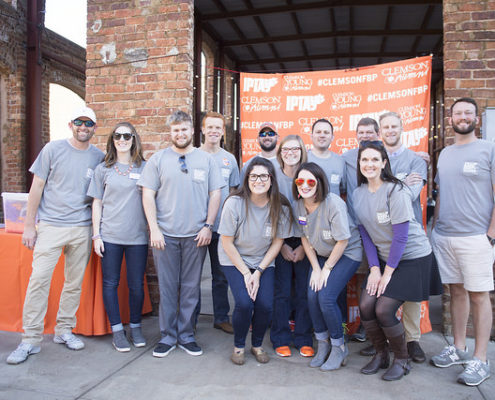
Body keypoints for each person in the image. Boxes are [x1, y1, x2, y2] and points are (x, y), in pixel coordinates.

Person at [7, 107, 104, 365]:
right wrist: (30, 225)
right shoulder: (52, 149)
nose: (83, 127)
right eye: (79, 122)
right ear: (70, 124)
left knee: (73, 283)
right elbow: (37, 186)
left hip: (82, 228)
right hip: (50, 225)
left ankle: (63, 330)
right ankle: (30, 339)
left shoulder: (99, 156)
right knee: (38, 280)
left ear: (95, 127)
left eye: (89, 124)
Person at [353, 140, 441, 381]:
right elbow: (366, 235)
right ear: (358, 164)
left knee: (383, 308)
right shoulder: (357, 194)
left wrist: (387, 273)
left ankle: (402, 360)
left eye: (374, 159)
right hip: (383, 259)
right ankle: (381, 355)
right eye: (364, 160)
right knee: (366, 305)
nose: (369, 164)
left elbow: (401, 236)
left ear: (384, 163)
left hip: (412, 257)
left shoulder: (395, 190)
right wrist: (374, 269)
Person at [138, 110, 223, 358]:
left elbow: (215, 194)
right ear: (170, 133)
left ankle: (186, 335)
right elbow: (147, 194)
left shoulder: (206, 160)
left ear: (192, 131)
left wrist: (208, 225)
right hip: (164, 236)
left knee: (190, 288)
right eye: (176, 130)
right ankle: (167, 336)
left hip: (196, 235)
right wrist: (154, 228)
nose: (180, 133)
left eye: (184, 129)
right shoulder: (158, 160)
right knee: (167, 287)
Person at [431, 97, 494, 386]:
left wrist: (491, 235)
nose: (463, 117)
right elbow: (443, 193)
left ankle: (480, 359)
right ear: (450, 118)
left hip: (476, 236)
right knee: (456, 292)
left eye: (469, 112)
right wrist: (436, 227)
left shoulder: (488, 149)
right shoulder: (444, 154)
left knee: (479, 295)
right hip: (446, 235)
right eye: (458, 113)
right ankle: (458, 348)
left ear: (477, 119)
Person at [218, 157, 292, 365]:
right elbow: (227, 243)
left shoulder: (281, 206)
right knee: (244, 302)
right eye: (253, 176)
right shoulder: (234, 203)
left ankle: (257, 345)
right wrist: (246, 273)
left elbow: (278, 242)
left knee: (265, 304)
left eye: (264, 176)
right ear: (246, 179)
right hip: (234, 259)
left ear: (271, 179)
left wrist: (258, 272)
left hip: (262, 260)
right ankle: (239, 346)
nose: (258, 180)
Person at [294, 162, 362, 371]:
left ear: (320, 183)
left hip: (347, 253)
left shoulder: (333, 203)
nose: (305, 185)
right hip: (322, 255)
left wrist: (327, 269)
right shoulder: (299, 204)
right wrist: (315, 268)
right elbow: (305, 238)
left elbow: (342, 241)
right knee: (312, 294)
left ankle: (339, 346)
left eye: (310, 181)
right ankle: (323, 344)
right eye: (300, 181)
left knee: (326, 297)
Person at [87, 122, 148, 352]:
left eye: (127, 135)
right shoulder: (103, 169)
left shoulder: (145, 167)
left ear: (134, 139)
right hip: (110, 236)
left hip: (138, 238)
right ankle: (117, 331)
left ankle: (135, 327)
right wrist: (96, 235)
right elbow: (97, 203)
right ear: (112, 140)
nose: (122, 139)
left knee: (136, 286)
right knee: (110, 284)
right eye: (117, 136)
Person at [379, 111, 429, 363]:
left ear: (401, 128)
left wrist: (390, 186)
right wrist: (400, 182)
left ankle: (412, 340)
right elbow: (375, 194)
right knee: (383, 291)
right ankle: (387, 339)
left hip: (407, 236)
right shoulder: (376, 159)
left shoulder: (417, 160)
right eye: (385, 127)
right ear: (380, 132)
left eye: (394, 126)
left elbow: (409, 196)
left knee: (410, 293)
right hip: (381, 236)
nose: (390, 130)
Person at [270, 135, 314, 358]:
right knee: (282, 292)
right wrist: (282, 246)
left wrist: (305, 248)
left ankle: (304, 338)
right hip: (279, 241)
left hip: (306, 241)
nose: (290, 153)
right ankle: (280, 338)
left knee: (304, 293)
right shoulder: (273, 177)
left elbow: (317, 212)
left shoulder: (309, 176)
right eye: (285, 149)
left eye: (295, 148)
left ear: (302, 151)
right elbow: (267, 214)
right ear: (280, 153)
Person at [199, 111, 240, 334]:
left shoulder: (229, 159)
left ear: (223, 131)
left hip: (221, 228)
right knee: (191, 277)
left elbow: (234, 190)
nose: (214, 131)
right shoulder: (194, 155)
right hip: (197, 226)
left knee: (220, 275)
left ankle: (221, 317)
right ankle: (190, 318)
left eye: (218, 127)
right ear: (203, 130)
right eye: (210, 127)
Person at [342, 117, 380, 345]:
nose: (365, 136)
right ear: (356, 135)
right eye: (361, 132)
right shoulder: (346, 158)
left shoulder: (384, 157)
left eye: (369, 132)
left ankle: (380, 326)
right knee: (362, 278)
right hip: (357, 230)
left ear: (377, 135)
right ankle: (365, 326)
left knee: (381, 278)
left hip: (381, 231)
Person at [307, 118, 346, 196]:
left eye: (326, 132)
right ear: (311, 136)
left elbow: (343, 190)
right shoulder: (303, 158)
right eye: (318, 132)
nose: (322, 135)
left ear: (332, 137)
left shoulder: (340, 161)